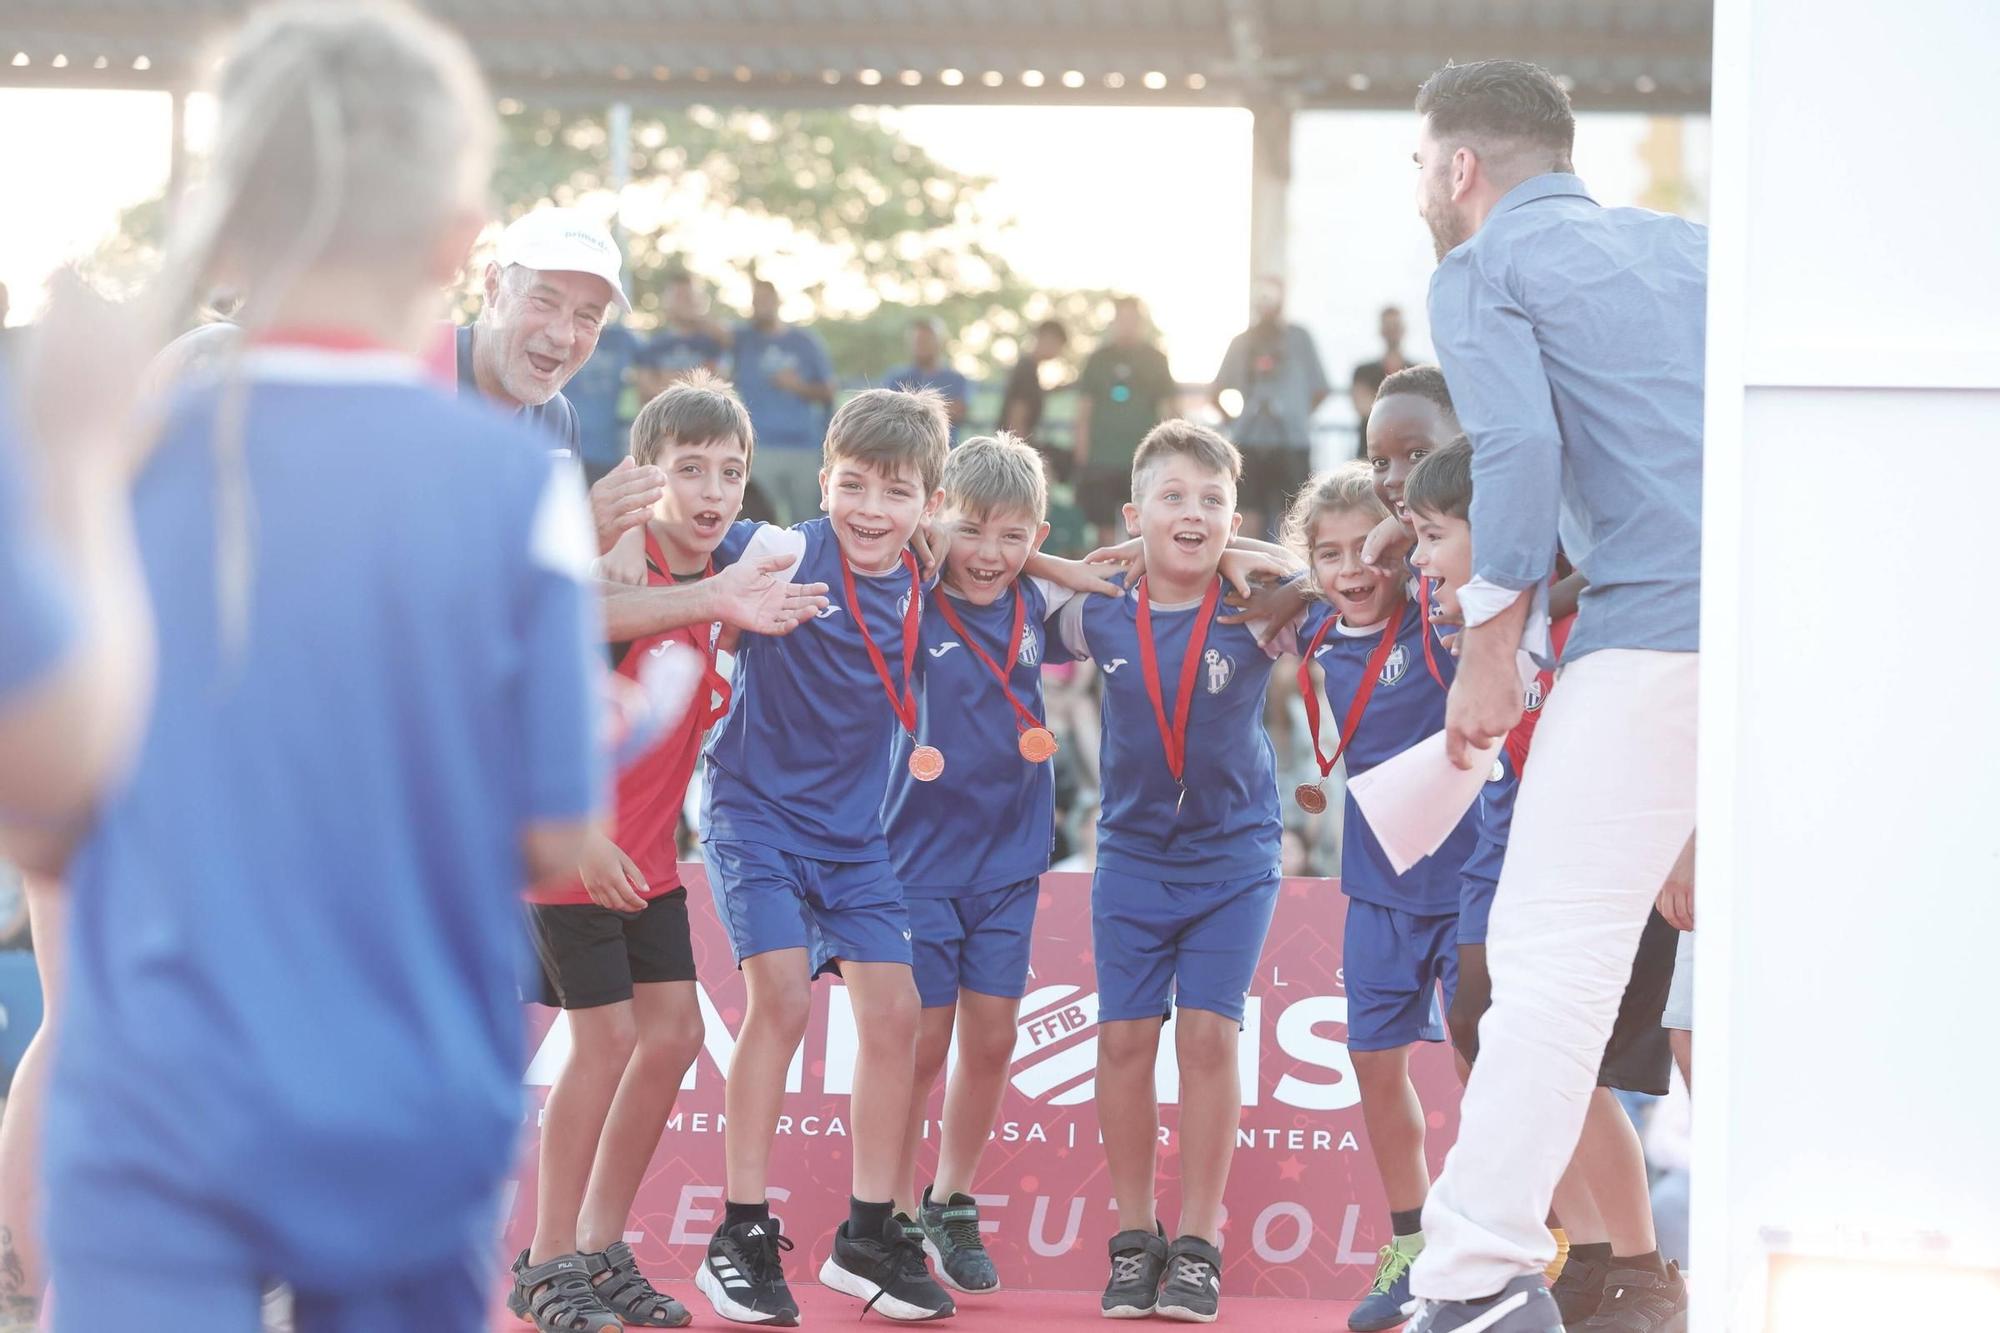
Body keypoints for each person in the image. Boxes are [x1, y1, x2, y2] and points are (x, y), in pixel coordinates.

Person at [33, 6, 611, 1332]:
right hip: (409, 1102)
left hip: (159, 1112)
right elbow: (554, 833)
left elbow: (43, 815)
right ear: (462, 247)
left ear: (226, 223)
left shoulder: (101, 462)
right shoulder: (517, 484)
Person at [1401, 58, 1705, 1333]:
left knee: (1544, 961)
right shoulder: (1688, 250)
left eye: (1418, 167)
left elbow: (1517, 447)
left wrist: (1491, 635)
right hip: (1786, 630)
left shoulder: (1479, 269)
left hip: (1650, 634)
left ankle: (1472, 1278)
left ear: (1459, 168)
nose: (1419, 190)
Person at [510, 373, 790, 1333]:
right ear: (646, 477)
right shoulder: (617, 579)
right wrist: (582, 831)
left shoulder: (723, 578)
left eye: (731, 471)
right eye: (689, 470)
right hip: (567, 849)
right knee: (609, 1041)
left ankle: (597, 1246)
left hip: (650, 862)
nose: (713, 491)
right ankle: (545, 1265)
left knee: (671, 1037)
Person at [1405, 437, 1688, 1331]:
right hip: (1512, 833)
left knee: (1577, 1051)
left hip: (1620, 848)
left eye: (1430, 535)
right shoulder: (1496, 613)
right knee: (1486, 1032)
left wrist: (1687, 837)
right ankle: (1592, 1258)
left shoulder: (1597, 617)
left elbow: (1681, 718)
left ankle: (1641, 1270)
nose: (1415, 556)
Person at [694, 388, 957, 1325]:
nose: (872, 511)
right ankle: (740, 1230)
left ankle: (868, 1235)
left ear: (930, 502)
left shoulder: (928, 573)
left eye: (897, 492)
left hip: (855, 841)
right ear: (825, 480)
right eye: (854, 485)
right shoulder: (782, 549)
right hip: (754, 815)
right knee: (785, 1000)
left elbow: (1014, 544)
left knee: (900, 1016)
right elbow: (681, 530)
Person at [1052, 421, 1299, 1325]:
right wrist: (1074, 562)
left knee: (1206, 1038)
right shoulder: (1099, 608)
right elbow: (986, 572)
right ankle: (1133, 1235)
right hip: (1130, 857)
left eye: (1212, 500)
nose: (1192, 513)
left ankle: (1196, 1243)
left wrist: (1255, 552)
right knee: (1123, 1041)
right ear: (1135, 513)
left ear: (1234, 519)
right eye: (1174, 496)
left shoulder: (1256, 607)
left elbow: (1355, 587)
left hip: (1236, 857)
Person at [1273, 462, 1474, 1333]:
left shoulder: (1435, 615)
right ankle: (1409, 1243)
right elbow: (1247, 567)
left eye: (1370, 550)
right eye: (1330, 555)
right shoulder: (1314, 628)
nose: (1353, 570)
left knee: (1487, 1071)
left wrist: (1401, 542)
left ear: (1403, 547)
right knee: (1373, 1065)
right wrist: (1300, 568)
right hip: (1377, 886)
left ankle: (1510, 1239)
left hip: (1470, 884)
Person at [881, 432, 1064, 1296]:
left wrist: (1064, 554)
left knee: (991, 1039)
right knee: (920, 1044)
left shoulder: (1041, 602)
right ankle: (881, 1212)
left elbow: (1145, 573)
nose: (990, 554)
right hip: (916, 855)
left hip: (1011, 856)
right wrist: (915, 530)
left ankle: (949, 1198)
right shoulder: (907, 592)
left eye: (1013, 534)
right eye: (972, 529)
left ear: (1038, 534)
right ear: (935, 522)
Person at [1210, 276, 1330, 539]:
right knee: (1248, 513)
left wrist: (1297, 416)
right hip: (1250, 443)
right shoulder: (1242, 342)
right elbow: (1215, 392)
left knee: (1293, 516)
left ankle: (1290, 574)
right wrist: (1236, 423)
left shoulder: (1300, 338)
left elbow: (1321, 389)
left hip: (1291, 444)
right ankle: (1250, 574)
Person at [730, 278, 834, 527]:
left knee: (810, 522)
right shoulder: (744, 340)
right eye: (756, 300)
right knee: (756, 521)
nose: (761, 305)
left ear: (777, 301)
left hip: (804, 447)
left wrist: (796, 385)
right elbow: (710, 330)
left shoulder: (804, 341)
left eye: (766, 299)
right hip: (760, 447)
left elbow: (829, 391)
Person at [1073, 297, 1175, 542]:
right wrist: (1081, 457)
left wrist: (1171, 455)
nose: (1127, 325)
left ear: (1141, 322)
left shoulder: (1156, 358)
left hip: (1143, 457)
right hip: (1102, 456)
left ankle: (1138, 577)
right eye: (1122, 319)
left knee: (1141, 523)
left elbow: (1169, 410)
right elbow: (1083, 411)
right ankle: (1108, 575)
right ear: (1114, 321)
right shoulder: (1098, 359)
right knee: (1103, 526)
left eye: (1133, 319)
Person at [632, 271, 727, 399]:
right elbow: (647, 391)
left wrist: (668, 379)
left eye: (688, 297)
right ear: (666, 300)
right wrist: (692, 381)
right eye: (678, 297)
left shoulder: (712, 342)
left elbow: (715, 384)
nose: (684, 303)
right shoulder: (654, 345)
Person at [883, 318, 971, 443]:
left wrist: (909, 410)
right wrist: (937, 409)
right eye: (917, 341)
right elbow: (888, 412)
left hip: (944, 451)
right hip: (904, 451)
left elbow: (958, 412)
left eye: (926, 341)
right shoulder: (897, 377)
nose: (920, 346)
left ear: (939, 342)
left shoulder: (957, 379)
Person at [1349, 305, 1410, 456]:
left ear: (1403, 329)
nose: (1392, 331)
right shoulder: (1363, 371)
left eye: (1395, 326)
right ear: (1381, 331)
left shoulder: (1417, 369)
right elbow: (1362, 408)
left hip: (1408, 455)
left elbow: (1425, 412)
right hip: (1369, 455)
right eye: (1388, 326)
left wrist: (1377, 401)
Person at [998, 317, 1067, 449]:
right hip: (1015, 448)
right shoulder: (1027, 369)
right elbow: (1016, 419)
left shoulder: (1029, 368)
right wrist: (1022, 455)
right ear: (1047, 339)